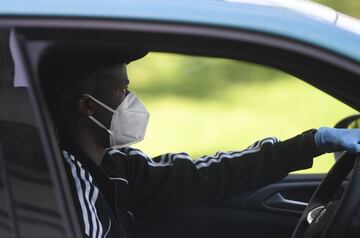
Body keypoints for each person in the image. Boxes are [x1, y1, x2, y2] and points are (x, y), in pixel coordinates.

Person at [39, 47, 360, 238]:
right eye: (122, 91)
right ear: (86, 106)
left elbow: (206, 175)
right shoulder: (72, 185)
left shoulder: (114, 168)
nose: (132, 101)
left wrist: (312, 143)